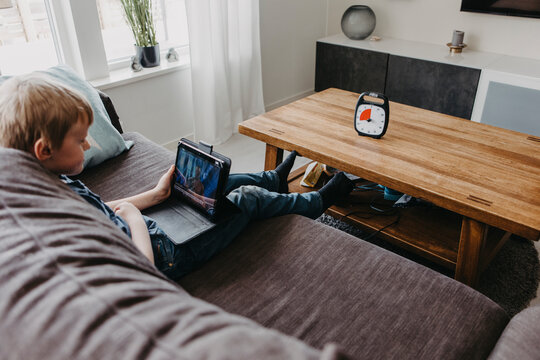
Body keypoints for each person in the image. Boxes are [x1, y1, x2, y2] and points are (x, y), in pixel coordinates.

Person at [0, 73, 354, 281]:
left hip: (153, 227)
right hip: (168, 252)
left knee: (210, 185)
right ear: (44, 150)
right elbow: (143, 269)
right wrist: (138, 218)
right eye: (79, 141)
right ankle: (317, 201)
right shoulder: (55, 223)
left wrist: (154, 195)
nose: (89, 143)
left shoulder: (52, 185)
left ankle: (272, 178)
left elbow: (102, 209)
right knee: (246, 200)